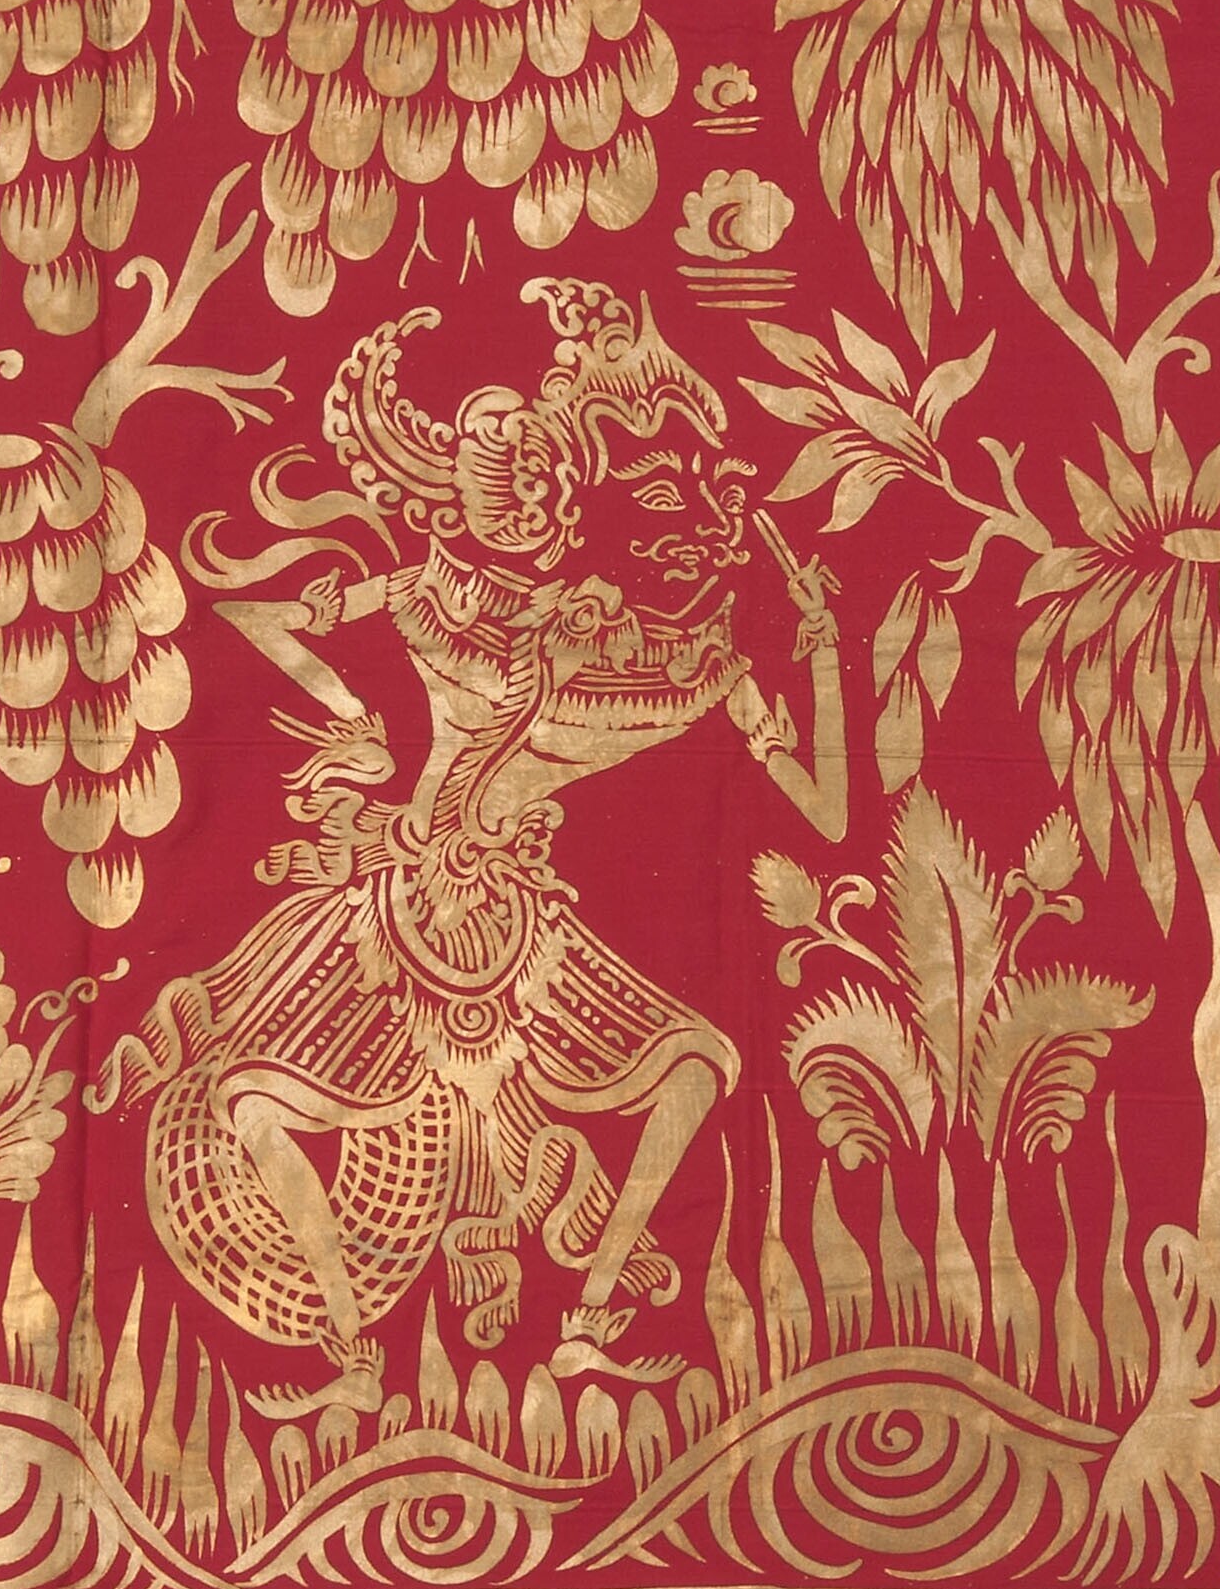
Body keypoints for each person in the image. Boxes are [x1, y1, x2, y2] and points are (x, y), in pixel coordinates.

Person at [91, 278, 852, 1416]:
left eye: (712, 496)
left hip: (520, 928)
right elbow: (260, 618)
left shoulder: (693, 671)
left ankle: (589, 1320)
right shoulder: (442, 601)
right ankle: (355, 1354)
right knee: (251, 1105)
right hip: (400, 909)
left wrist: (824, 657)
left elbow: (829, 817)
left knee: (698, 1069)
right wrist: (358, 732)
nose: (699, 528)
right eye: (655, 497)